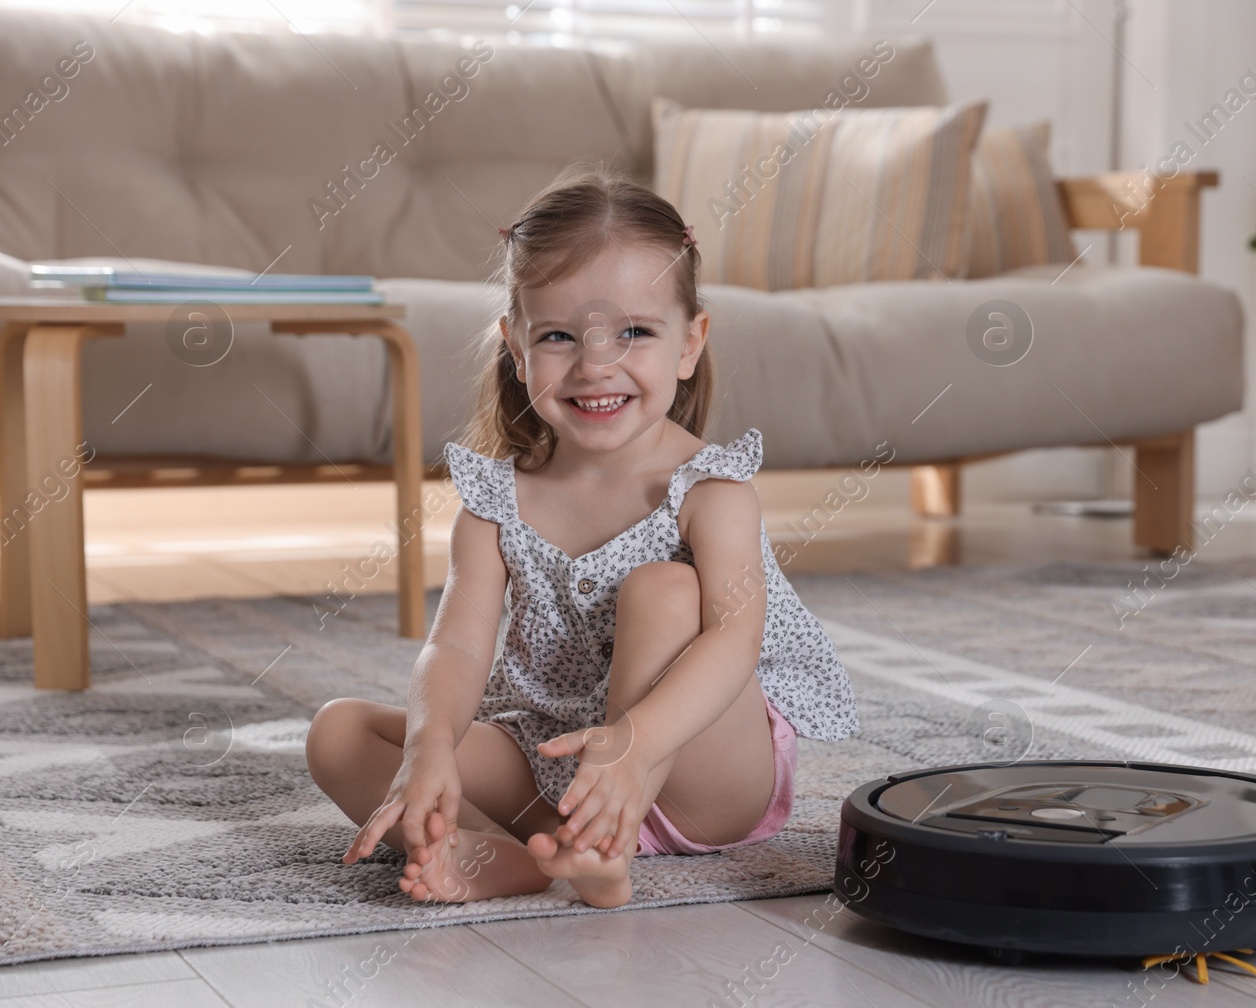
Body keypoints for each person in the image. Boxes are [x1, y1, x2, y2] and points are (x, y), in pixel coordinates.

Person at [305, 164, 857, 909]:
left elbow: (735, 638)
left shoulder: (712, 489)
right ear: (515, 345)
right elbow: (458, 645)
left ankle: (607, 846)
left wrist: (634, 745)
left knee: (664, 588)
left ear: (690, 342)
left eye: (634, 332)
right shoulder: (497, 504)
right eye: (560, 336)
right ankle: (519, 857)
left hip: (701, 769)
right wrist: (429, 747)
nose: (597, 364)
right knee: (340, 735)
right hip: (554, 759)